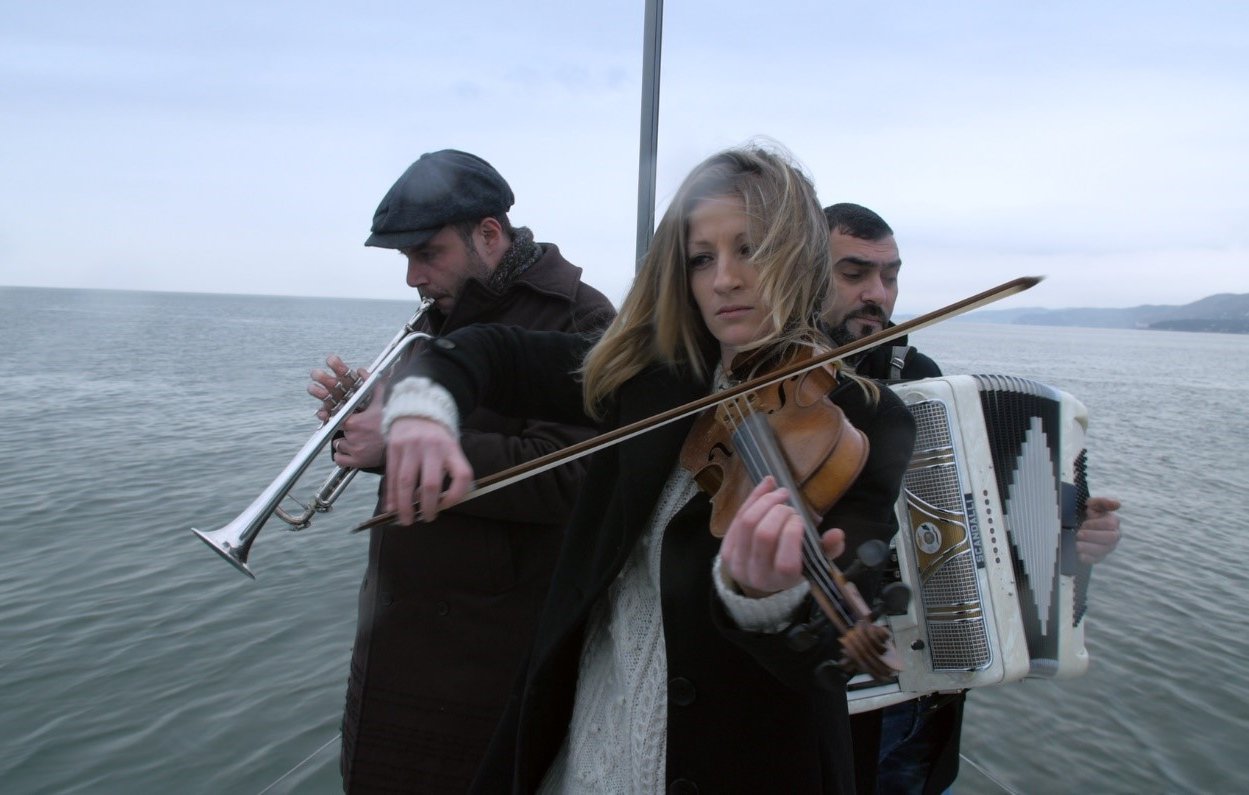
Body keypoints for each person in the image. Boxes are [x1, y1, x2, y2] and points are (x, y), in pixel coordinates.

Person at [377, 146, 918, 793]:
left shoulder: (867, 420)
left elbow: (823, 642)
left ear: (798, 256)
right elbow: (490, 351)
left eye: (750, 250)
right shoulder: (650, 378)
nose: (724, 279)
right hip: (588, 740)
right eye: (701, 258)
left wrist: (763, 599)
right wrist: (421, 410)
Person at [308, 149, 615, 793]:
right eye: (406, 259)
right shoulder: (431, 326)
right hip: (393, 647)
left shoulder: (582, 318)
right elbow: (417, 461)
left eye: (428, 253)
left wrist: (396, 445)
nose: (413, 276)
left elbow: (573, 480)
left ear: (489, 235)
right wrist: (363, 426)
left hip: (490, 658)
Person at [822, 202, 1123, 794]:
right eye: (854, 274)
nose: (877, 294)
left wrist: (1071, 536)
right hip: (825, 684)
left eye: (890, 275)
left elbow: (979, 517)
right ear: (802, 274)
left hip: (925, 687)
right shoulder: (771, 380)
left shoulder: (923, 377)